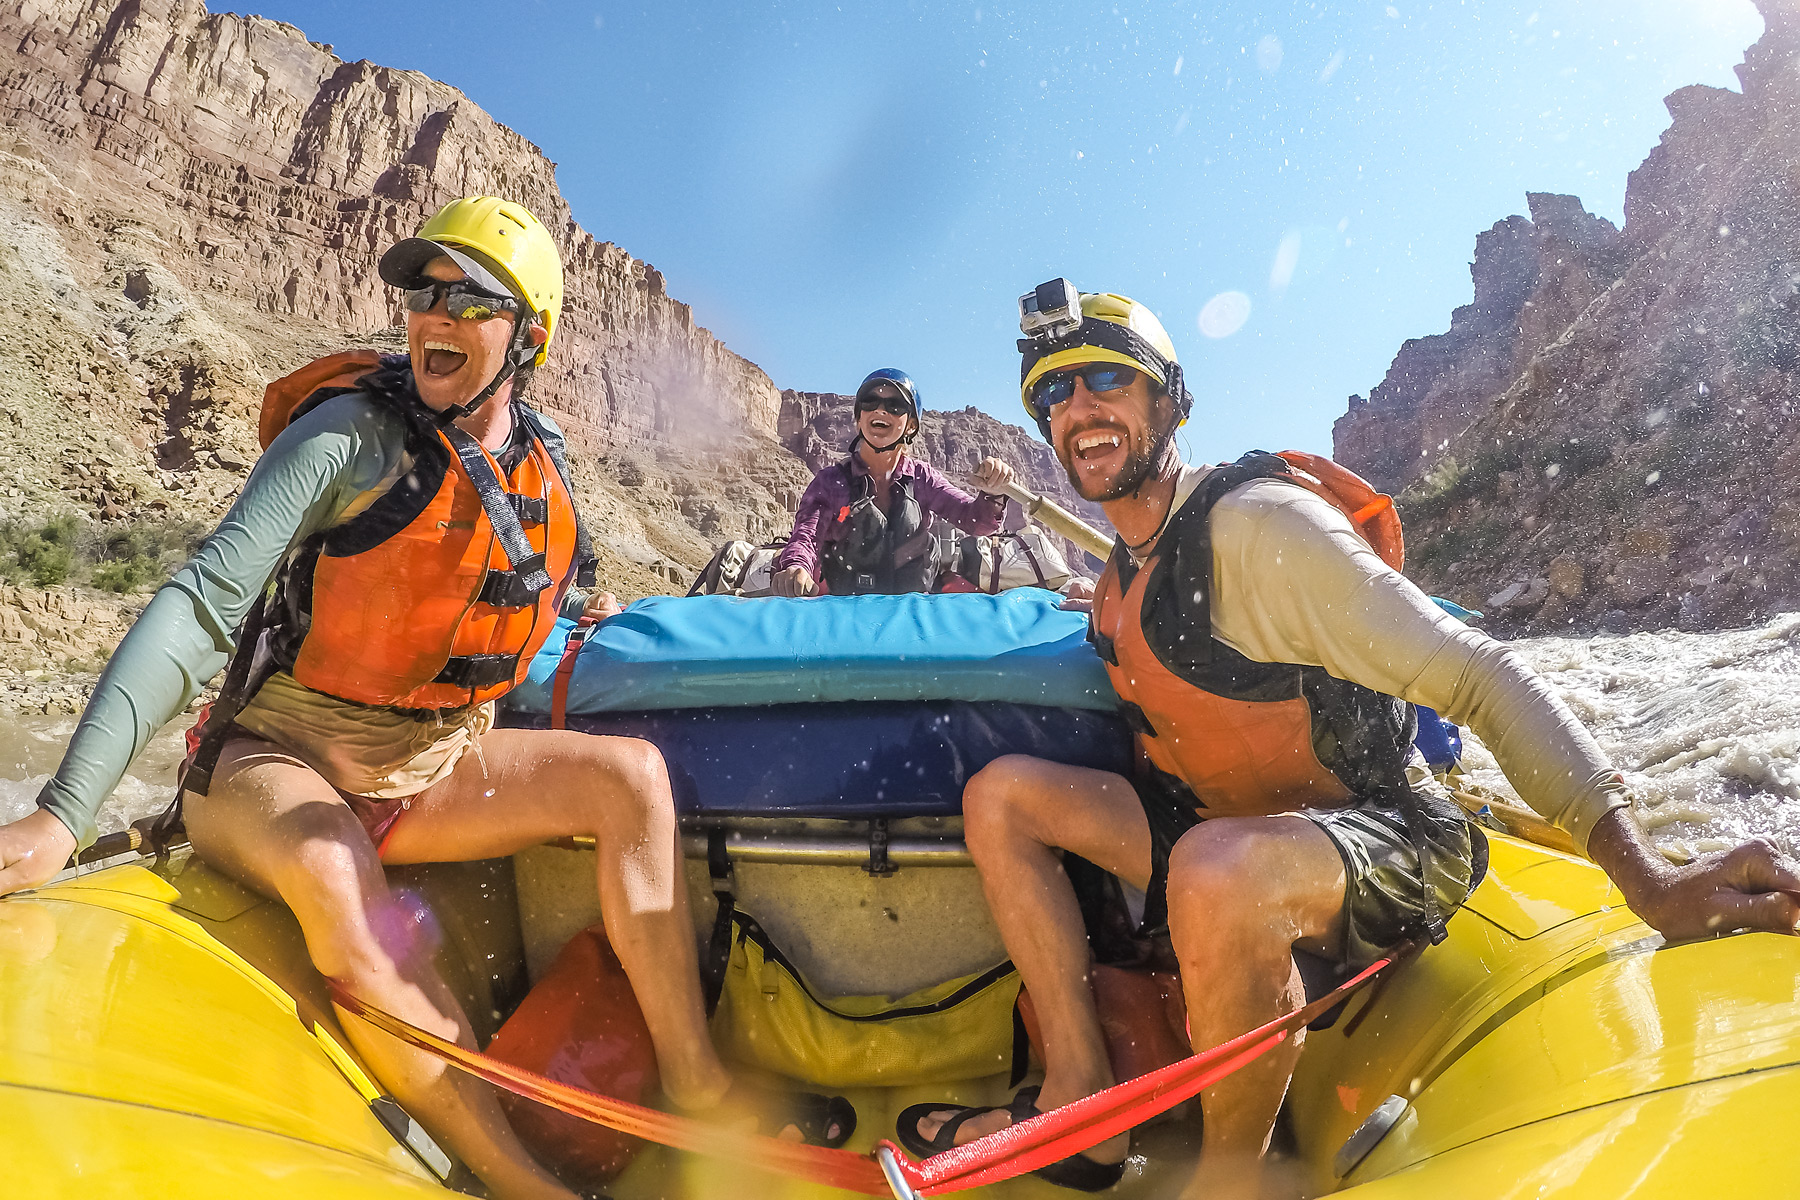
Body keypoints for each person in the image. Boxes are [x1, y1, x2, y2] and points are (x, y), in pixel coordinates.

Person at [0, 197, 850, 1199]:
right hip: (275, 761)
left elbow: (498, 617)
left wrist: (582, 620)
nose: (432, 316)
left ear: (528, 334)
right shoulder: (349, 438)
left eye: (467, 298)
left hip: (431, 764)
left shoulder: (544, 466)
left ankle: (700, 1085)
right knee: (331, 869)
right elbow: (198, 608)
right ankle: (518, 1180)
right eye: (420, 293)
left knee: (633, 781)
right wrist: (63, 815)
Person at [896, 286, 1800, 1197]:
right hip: (1223, 829)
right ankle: (1077, 1097)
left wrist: (1651, 882)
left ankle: (1228, 1178)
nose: (1078, 409)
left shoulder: (1261, 528)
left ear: (1166, 399)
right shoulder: (1122, 571)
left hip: (1391, 831)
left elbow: (1479, 673)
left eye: (1104, 380)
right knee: (1002, 795)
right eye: (1053, 396)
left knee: (1214, 871)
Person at [772, 368, 1018, 596]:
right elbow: (806, 536)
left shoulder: (922, 478)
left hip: (912, 611)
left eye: (895, 405)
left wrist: (992, 494)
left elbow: (975, 522)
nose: (881, 410)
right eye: (870, 402)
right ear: (859, 419)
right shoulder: (830, 482)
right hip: (846, 610)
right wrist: (796, 566)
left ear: (911, 426)